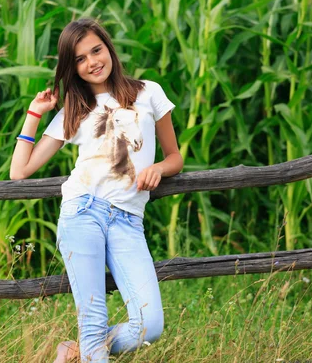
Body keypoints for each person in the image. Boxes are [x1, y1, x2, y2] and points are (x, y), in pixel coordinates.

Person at [9, 18, 183, 363]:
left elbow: (174, 156)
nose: (92, 62)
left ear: (108, 48)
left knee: (150, 326)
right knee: (92, 321)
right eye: (80, 59)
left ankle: (75, 352)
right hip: (83, 213)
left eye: (96, 50)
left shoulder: (149, 92)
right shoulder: (74, 110)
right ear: (72, 69)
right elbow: (20, 171)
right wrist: (35, 112)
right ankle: (88, 347)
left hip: (128, 221)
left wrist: (158, 169)